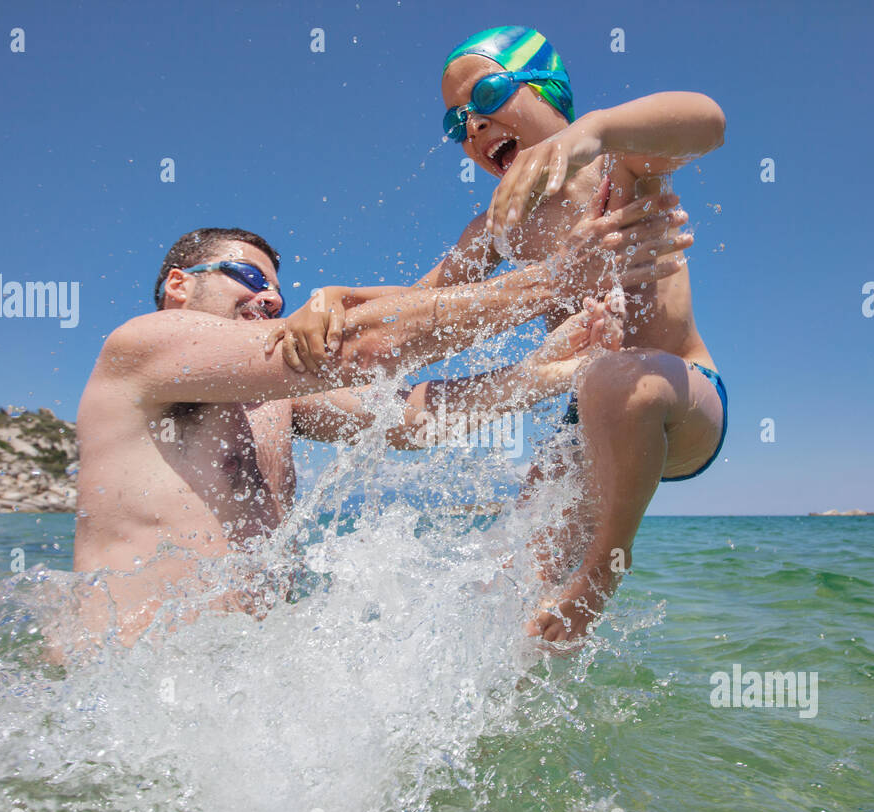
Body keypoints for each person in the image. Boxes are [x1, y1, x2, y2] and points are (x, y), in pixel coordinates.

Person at [274, 26, 727, 643]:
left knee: (617, 377)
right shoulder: (499, 225)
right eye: (456, 124)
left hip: (682, 399)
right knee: (504, 600)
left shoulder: (623, 165)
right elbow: (423, 304)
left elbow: (708, 121)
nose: (473, 128)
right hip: (586, 424)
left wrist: (593, 128)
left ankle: (603, 568)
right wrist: (330, 298)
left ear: (548, 90)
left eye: (487, 96)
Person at [69, 211, 686, 648]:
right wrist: (554, 280)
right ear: (179, 284)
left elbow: (412, 421)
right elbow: (360, 347)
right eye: (251, 280)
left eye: (278, 297)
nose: (271, 303)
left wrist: (548, 372)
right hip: (124, 683)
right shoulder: (142, 349)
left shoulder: (269, 403)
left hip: (237, 687)